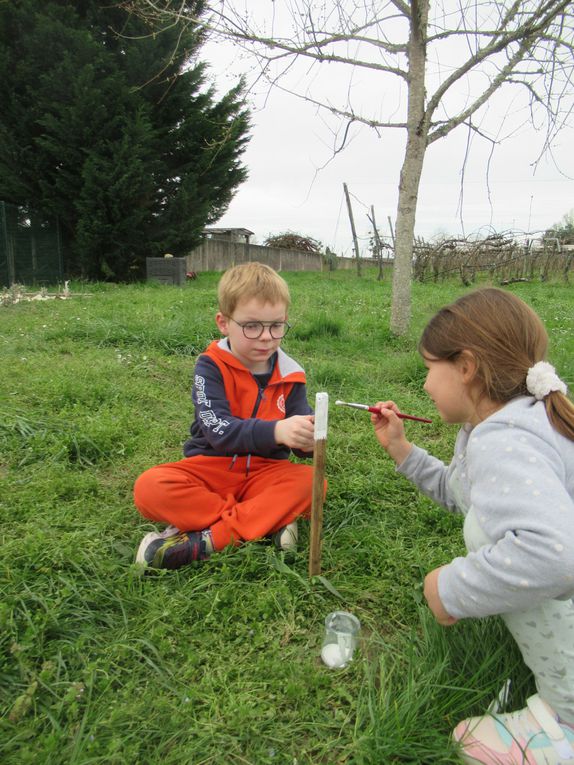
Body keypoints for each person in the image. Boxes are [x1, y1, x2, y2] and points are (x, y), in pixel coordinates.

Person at [370, 288, 574, 764]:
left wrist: (452, 589)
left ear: (466, 367)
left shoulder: (502, 442)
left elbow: (554, 556)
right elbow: (470, 498)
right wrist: (403, 450)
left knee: (468, 738)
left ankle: (565, 720)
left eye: (428, 370)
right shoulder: (516, 420)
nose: (423, 386)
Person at [134, 261, 319, 569]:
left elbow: (300, 440)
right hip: (209, 469)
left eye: (276, 326)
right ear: (223, 323)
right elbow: (217, 431)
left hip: (266, 472)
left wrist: (308, 440)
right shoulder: (210, 366)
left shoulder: (292, 374)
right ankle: (264, 522)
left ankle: (205, 539)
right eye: (251, 326)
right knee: (149, 487)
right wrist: (276, 431)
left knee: (312, 482)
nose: (266, 337)